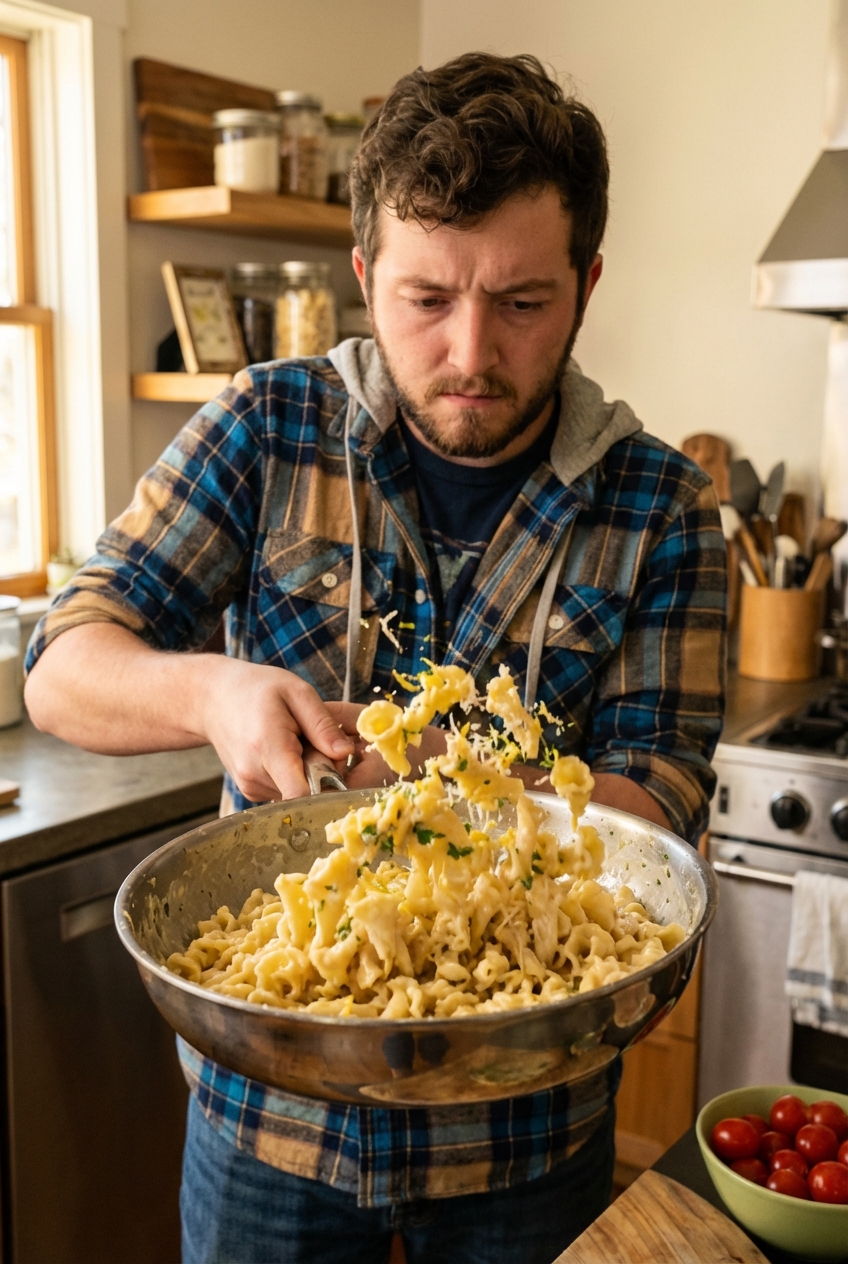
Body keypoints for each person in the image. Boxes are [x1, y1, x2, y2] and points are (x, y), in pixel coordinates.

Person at [24, 52, 726, 1264]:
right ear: (361, 275)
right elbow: (63, 663)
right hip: (269, 1113)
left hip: (527, 1120)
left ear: (586, 284)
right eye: (423, 299)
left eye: (520, 302)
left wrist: (478, 790)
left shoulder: (659, 506)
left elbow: (661, 791)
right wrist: (215, 688)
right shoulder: (265, 427)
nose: (467, 352)